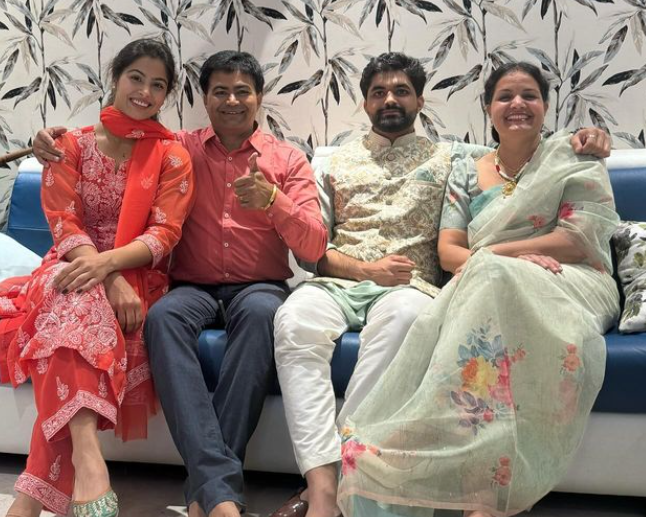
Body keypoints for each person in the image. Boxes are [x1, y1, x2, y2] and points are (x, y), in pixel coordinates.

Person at [270, 53, 612, 517]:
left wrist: (592, 136)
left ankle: (361, 461)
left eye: (401, 91)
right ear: (365, 103)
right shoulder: (332, 162)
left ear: (420, 100)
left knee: (405, 320)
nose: (390, 99)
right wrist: (362, 269)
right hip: (340, 282)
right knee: (292, 321)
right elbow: (312, 250)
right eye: (378, 92)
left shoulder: (450, 155)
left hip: (410, 288)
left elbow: (527, 160)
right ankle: (323, 485)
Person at [33, 50, 328, 517]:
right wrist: (48, 138)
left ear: (260, 98)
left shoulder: (287, 159)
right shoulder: (177, 147)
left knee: (262, 317)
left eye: (242, 91)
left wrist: (274, 201)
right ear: (204, 99)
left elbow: (314, 247)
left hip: (260, 285)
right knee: (163, 319)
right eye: (220, 92)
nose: (232, 101)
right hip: (191, 286)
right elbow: (119, 143)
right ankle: (220, 493)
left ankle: (211, 492)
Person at [0, 39, 194, 517]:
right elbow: (63, 222)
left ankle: (28, 503)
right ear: (115, 76)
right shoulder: (68, 146)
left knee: (74, 302)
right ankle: (89, 461)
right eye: (136, 78)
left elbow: (165, 232)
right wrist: (102, 274)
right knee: (73, 291)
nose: (145, 92)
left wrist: (110, 268)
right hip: (67, 262)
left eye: (158, 85)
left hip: (137, 273)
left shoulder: (171, 156)